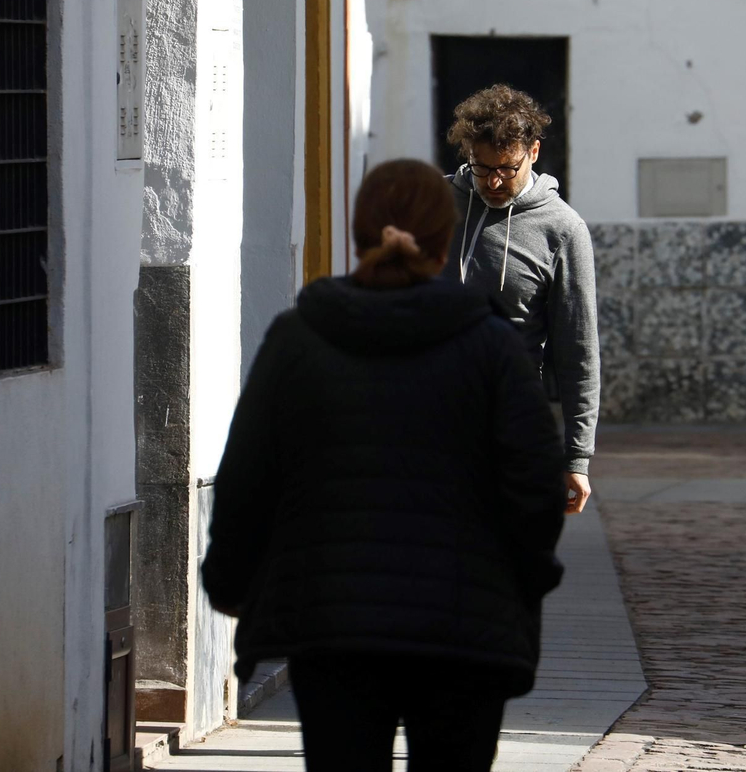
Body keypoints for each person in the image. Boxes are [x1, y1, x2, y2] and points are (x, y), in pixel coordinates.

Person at [201, 159, 567, 772]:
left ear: (358, 231)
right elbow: (534, 486)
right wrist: (523, 580)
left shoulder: (299, 338)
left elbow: (247, 478)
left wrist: (232, 582)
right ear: (446, 239)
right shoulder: (491, 345)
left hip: (333, 619)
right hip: (464, 624)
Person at [443, 84, 600, 514]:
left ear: (533, 151)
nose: (493, 181)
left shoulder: (563, 229)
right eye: (481, 167)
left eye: (507, 169)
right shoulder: (433, 204)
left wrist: (577, 458)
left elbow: (578, 351)